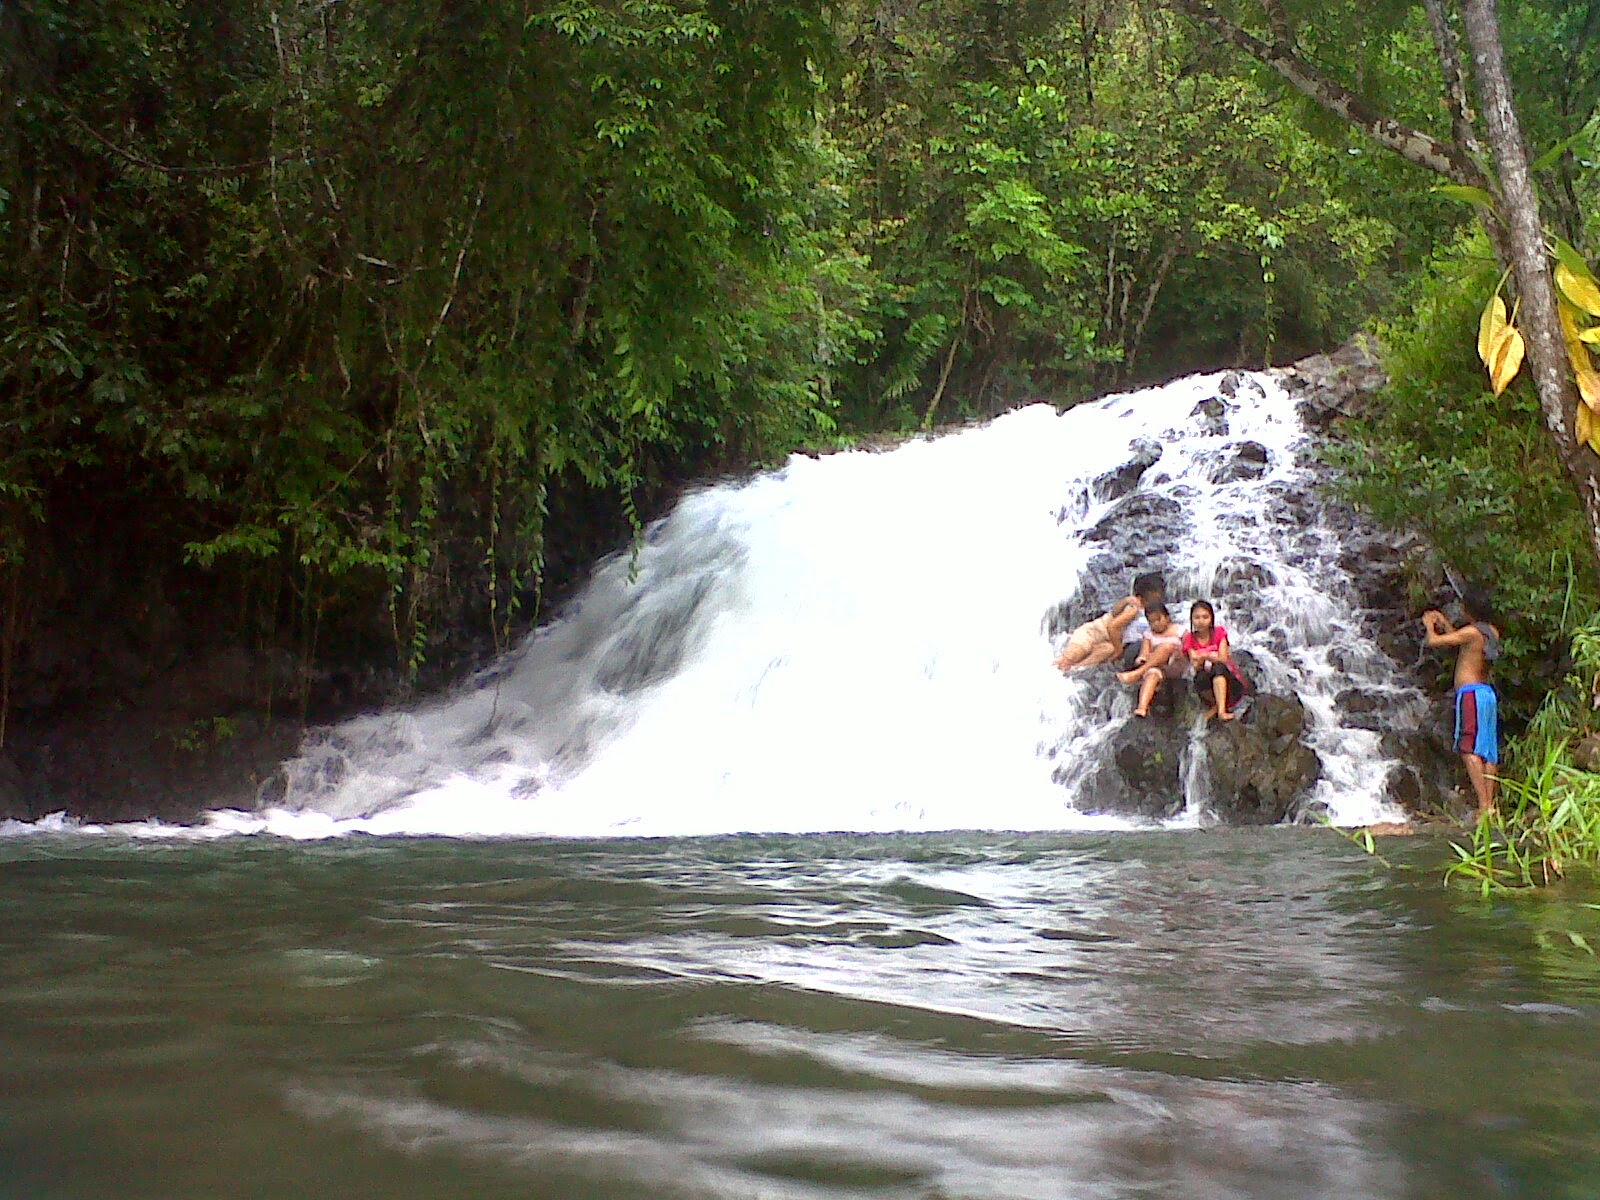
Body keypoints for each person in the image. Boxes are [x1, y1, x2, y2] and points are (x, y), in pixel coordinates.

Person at [1422, 588, 1501, 817]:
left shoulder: (1472, 632)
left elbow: (1435, 642)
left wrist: (1430, 624)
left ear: (1469, 609)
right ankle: (1490, 804)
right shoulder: (1490, 632)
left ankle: (1484, 806)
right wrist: (1445, 623)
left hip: (1471, 694)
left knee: (1469, 748)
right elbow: (1460, 641)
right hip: (1487, 694)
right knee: (1488, 750)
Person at [1117, 602, 1188, 717]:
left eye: (1158, 620)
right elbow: (1144, 654)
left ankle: (1136, 674)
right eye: (1152, 622)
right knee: (1152, 675)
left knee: (1167, 647)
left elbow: (1188, 649)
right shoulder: (1148, 635)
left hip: (1176, 664)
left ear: (1167, 617)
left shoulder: (1180, 630)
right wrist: (1141, 659)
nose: (1156, 624)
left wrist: (1180, 653)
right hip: (1158, 667)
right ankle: (1142, 707)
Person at [1182, 599, 1247, 721]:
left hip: (1231, 684)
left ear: (1211, 618)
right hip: (1209, 685)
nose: (1201, 621)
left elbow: (1222, 658)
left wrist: (1204, 656)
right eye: (1197, 618)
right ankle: (1216, 705)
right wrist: (1205, 657)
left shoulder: (1219, 632)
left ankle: (1221, 711)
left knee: (1218, 667)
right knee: (1199, 676)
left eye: (1205, 617)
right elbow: (1195, 664)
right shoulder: (1190, 638)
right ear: (1191, 619)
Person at [1055, 594, 1144, 671]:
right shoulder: (1133, 609)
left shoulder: (1151, 616)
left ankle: (1076, 668)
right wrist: (1119, 651)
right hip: (1092, 632)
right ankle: (1057, 665)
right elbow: (1113, 626)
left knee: (1108, 650)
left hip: (1108, 643)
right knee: (1072, 656)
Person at [1120, 571, 1169, 672]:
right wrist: (1118, 651)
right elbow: (1114, 618)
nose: (1158, 599)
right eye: (1155, 596)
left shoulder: (1159, 612)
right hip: (1134, 646)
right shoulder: (1135, 609)